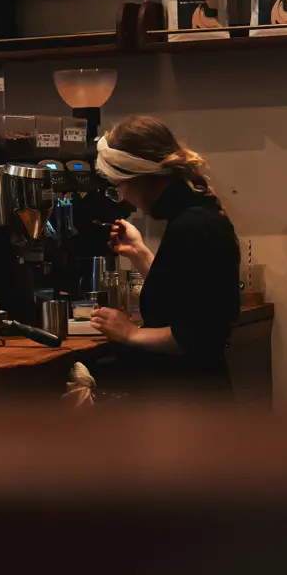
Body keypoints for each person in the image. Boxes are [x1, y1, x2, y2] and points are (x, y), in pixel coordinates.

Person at [90, 116, 241, 398]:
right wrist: (139, 254)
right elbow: (184, 294)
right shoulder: (196, 212)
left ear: (138, 176)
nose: (122, 196)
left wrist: (129, 333)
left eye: (119, 185)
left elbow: (198, 335)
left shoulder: (192, 227)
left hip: (189, 401)